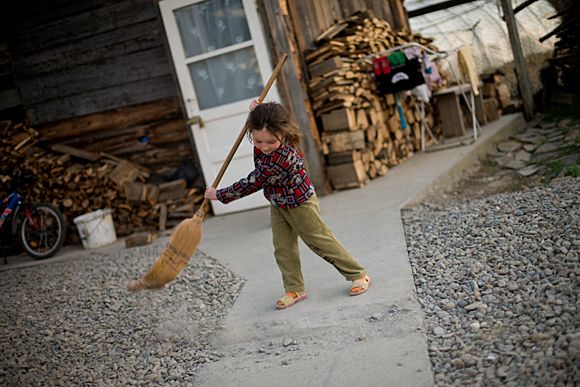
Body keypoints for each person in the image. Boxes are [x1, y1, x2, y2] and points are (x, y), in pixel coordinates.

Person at [204, 100, 371, 309]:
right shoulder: (266, 134)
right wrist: (255, 112)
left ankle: (358, 274)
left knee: (319, 241)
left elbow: (253, 181)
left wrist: (219, 194)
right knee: (283, 248)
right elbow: (261, 128)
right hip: (278, 202)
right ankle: (295, 288)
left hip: (300, 203)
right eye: (257, 141)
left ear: (283, 134)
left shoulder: (282, 158)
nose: (264, 147)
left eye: (270, 142)